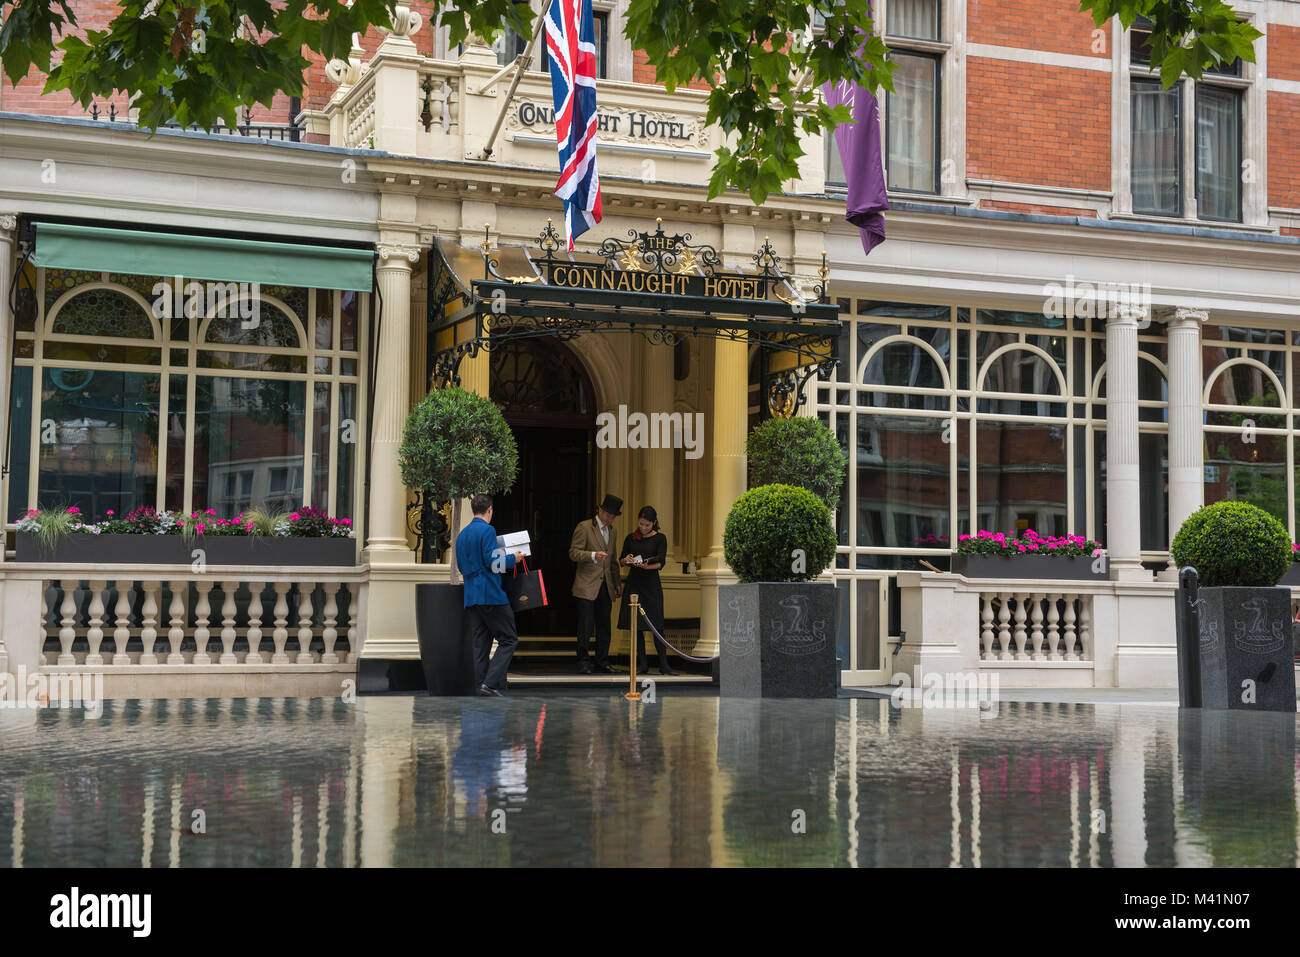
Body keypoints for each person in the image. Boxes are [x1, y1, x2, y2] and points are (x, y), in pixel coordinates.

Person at [456, 493, 526, 697]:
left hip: (471, 595)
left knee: (481, 643)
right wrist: (513, 558)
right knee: (509, 639)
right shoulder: (488, 530)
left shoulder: (462, 534)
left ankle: (480, 686)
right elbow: (492, 562)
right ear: (490, 510)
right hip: (490, 594)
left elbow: (461, 566)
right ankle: (490, 683)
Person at [616, 506, 678, 676]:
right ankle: (642, 664)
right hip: (634, 583)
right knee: (637, 626)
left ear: (654, 523)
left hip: (651, 584)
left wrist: (646, 566)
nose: (643, 528)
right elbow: (620, 560)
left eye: (647, 525)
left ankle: (664, 665)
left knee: (657, 625)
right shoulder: (631, 538)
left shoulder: (660, 538)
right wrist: (626, 560)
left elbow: (661, 563)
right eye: (641, 524)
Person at [569, 493, 624, 674]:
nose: (610, 519)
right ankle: (583, 661)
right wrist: (592, 555)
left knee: (604, 626)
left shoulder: (613, 531)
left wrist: (617, 582)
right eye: (608, 515)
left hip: (606, 585)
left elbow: (613, 560)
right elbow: (573, 553)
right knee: (585, 626)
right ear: (600, 510)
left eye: (613, 517)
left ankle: (602, 661)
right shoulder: (584, 527)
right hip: (587, 585)